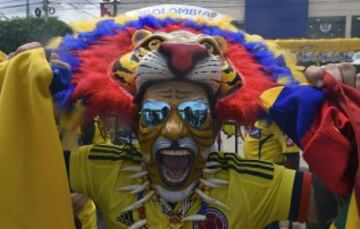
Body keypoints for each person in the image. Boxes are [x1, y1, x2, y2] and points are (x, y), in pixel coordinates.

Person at [1, 12, 359, 229]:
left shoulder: (249, 183)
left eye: (193, 113)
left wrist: (338, 119)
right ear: (136, 120)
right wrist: (24, 95)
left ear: (216, 125)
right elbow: (25, 165)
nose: (173, 130)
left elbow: (332, 201)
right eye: (157, 114)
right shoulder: (102, 168)